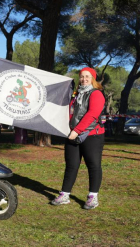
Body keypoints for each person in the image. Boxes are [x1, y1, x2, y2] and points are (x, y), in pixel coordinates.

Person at [51, 67, 105, 210]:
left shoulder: (96, 94)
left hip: (92, 135)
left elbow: (92, 114)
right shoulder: (76, 94)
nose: (84, 79)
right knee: (71, 165)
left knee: (93, 165)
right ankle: (64, 194)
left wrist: (77, 130)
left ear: (93, 78)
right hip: (72, 133)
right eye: (82, 76)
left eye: (87, 76)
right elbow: (69, 112)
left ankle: (92, 197)